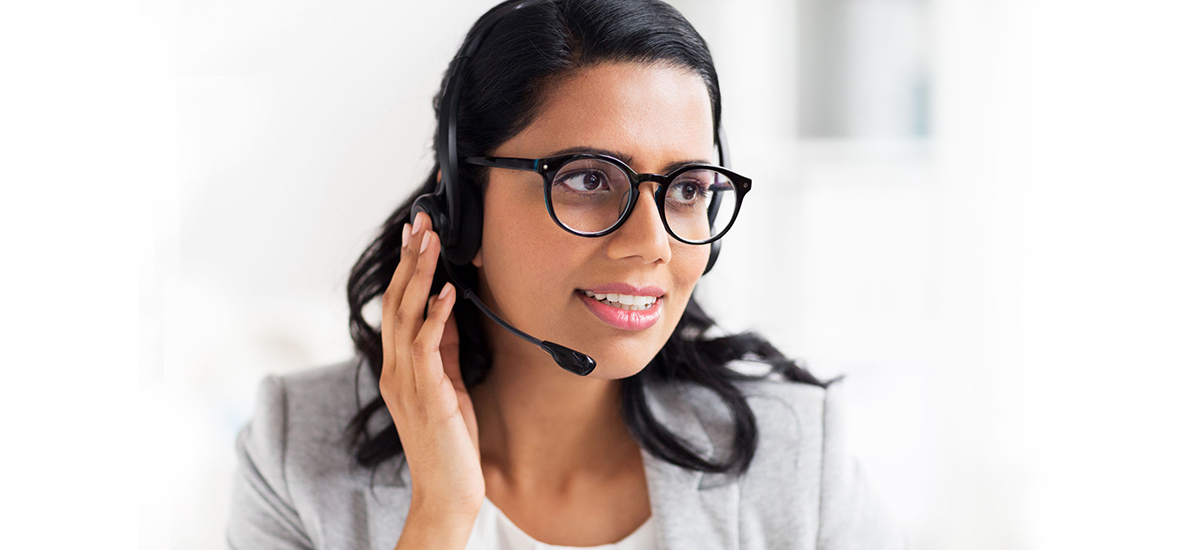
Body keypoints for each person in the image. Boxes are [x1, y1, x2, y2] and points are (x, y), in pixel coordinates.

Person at [226, 0, 905, 548]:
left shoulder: (797, 458)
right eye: (587, 179)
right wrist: (439, 514)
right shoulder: (293, 450)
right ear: (463, 210)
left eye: (688, 189)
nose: (651, 244)